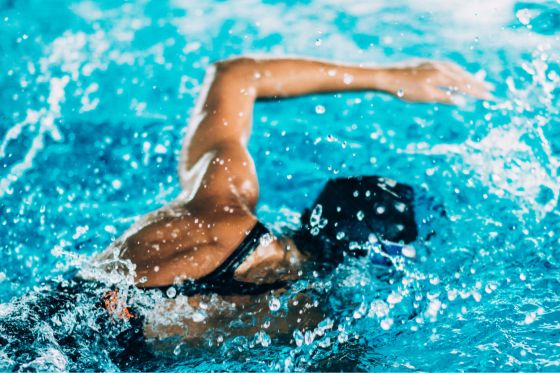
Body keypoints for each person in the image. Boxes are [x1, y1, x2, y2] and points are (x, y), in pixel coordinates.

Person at [74, 57, 491, 350]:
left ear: (314, 212)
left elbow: (237, 74)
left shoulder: (222, 200)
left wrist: (388, 76)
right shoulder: (305, 319)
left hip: (40, 315)